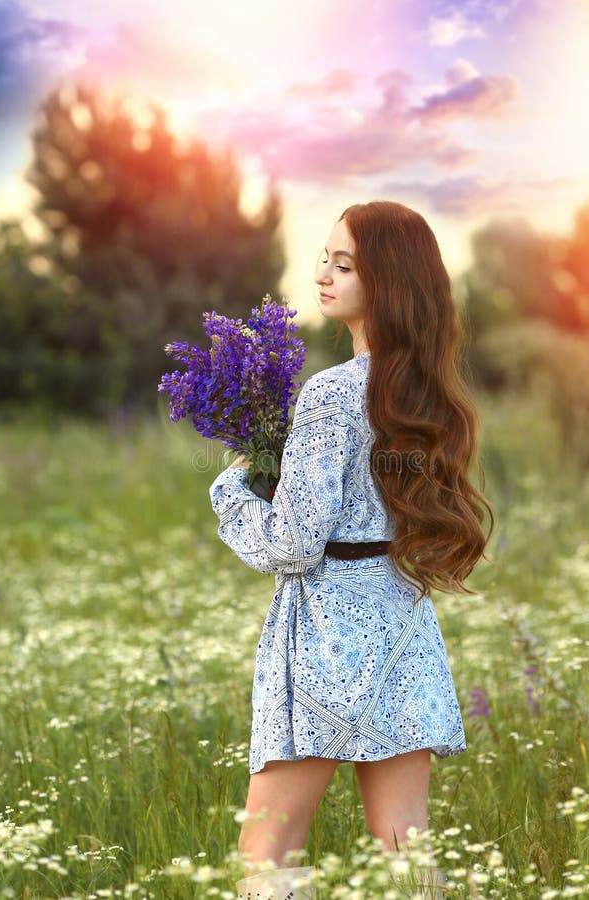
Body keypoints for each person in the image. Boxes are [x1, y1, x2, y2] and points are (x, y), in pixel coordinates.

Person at [209, 200, 494, 900]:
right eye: (325, 258)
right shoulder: (425, 389)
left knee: (265, 851)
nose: (323, 274)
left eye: (345, 264)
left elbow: (296, 544)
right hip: (402, 628)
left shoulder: (331, 395)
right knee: (405, 849)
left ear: (388, 282)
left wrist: (232, 494)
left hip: (325, 643)